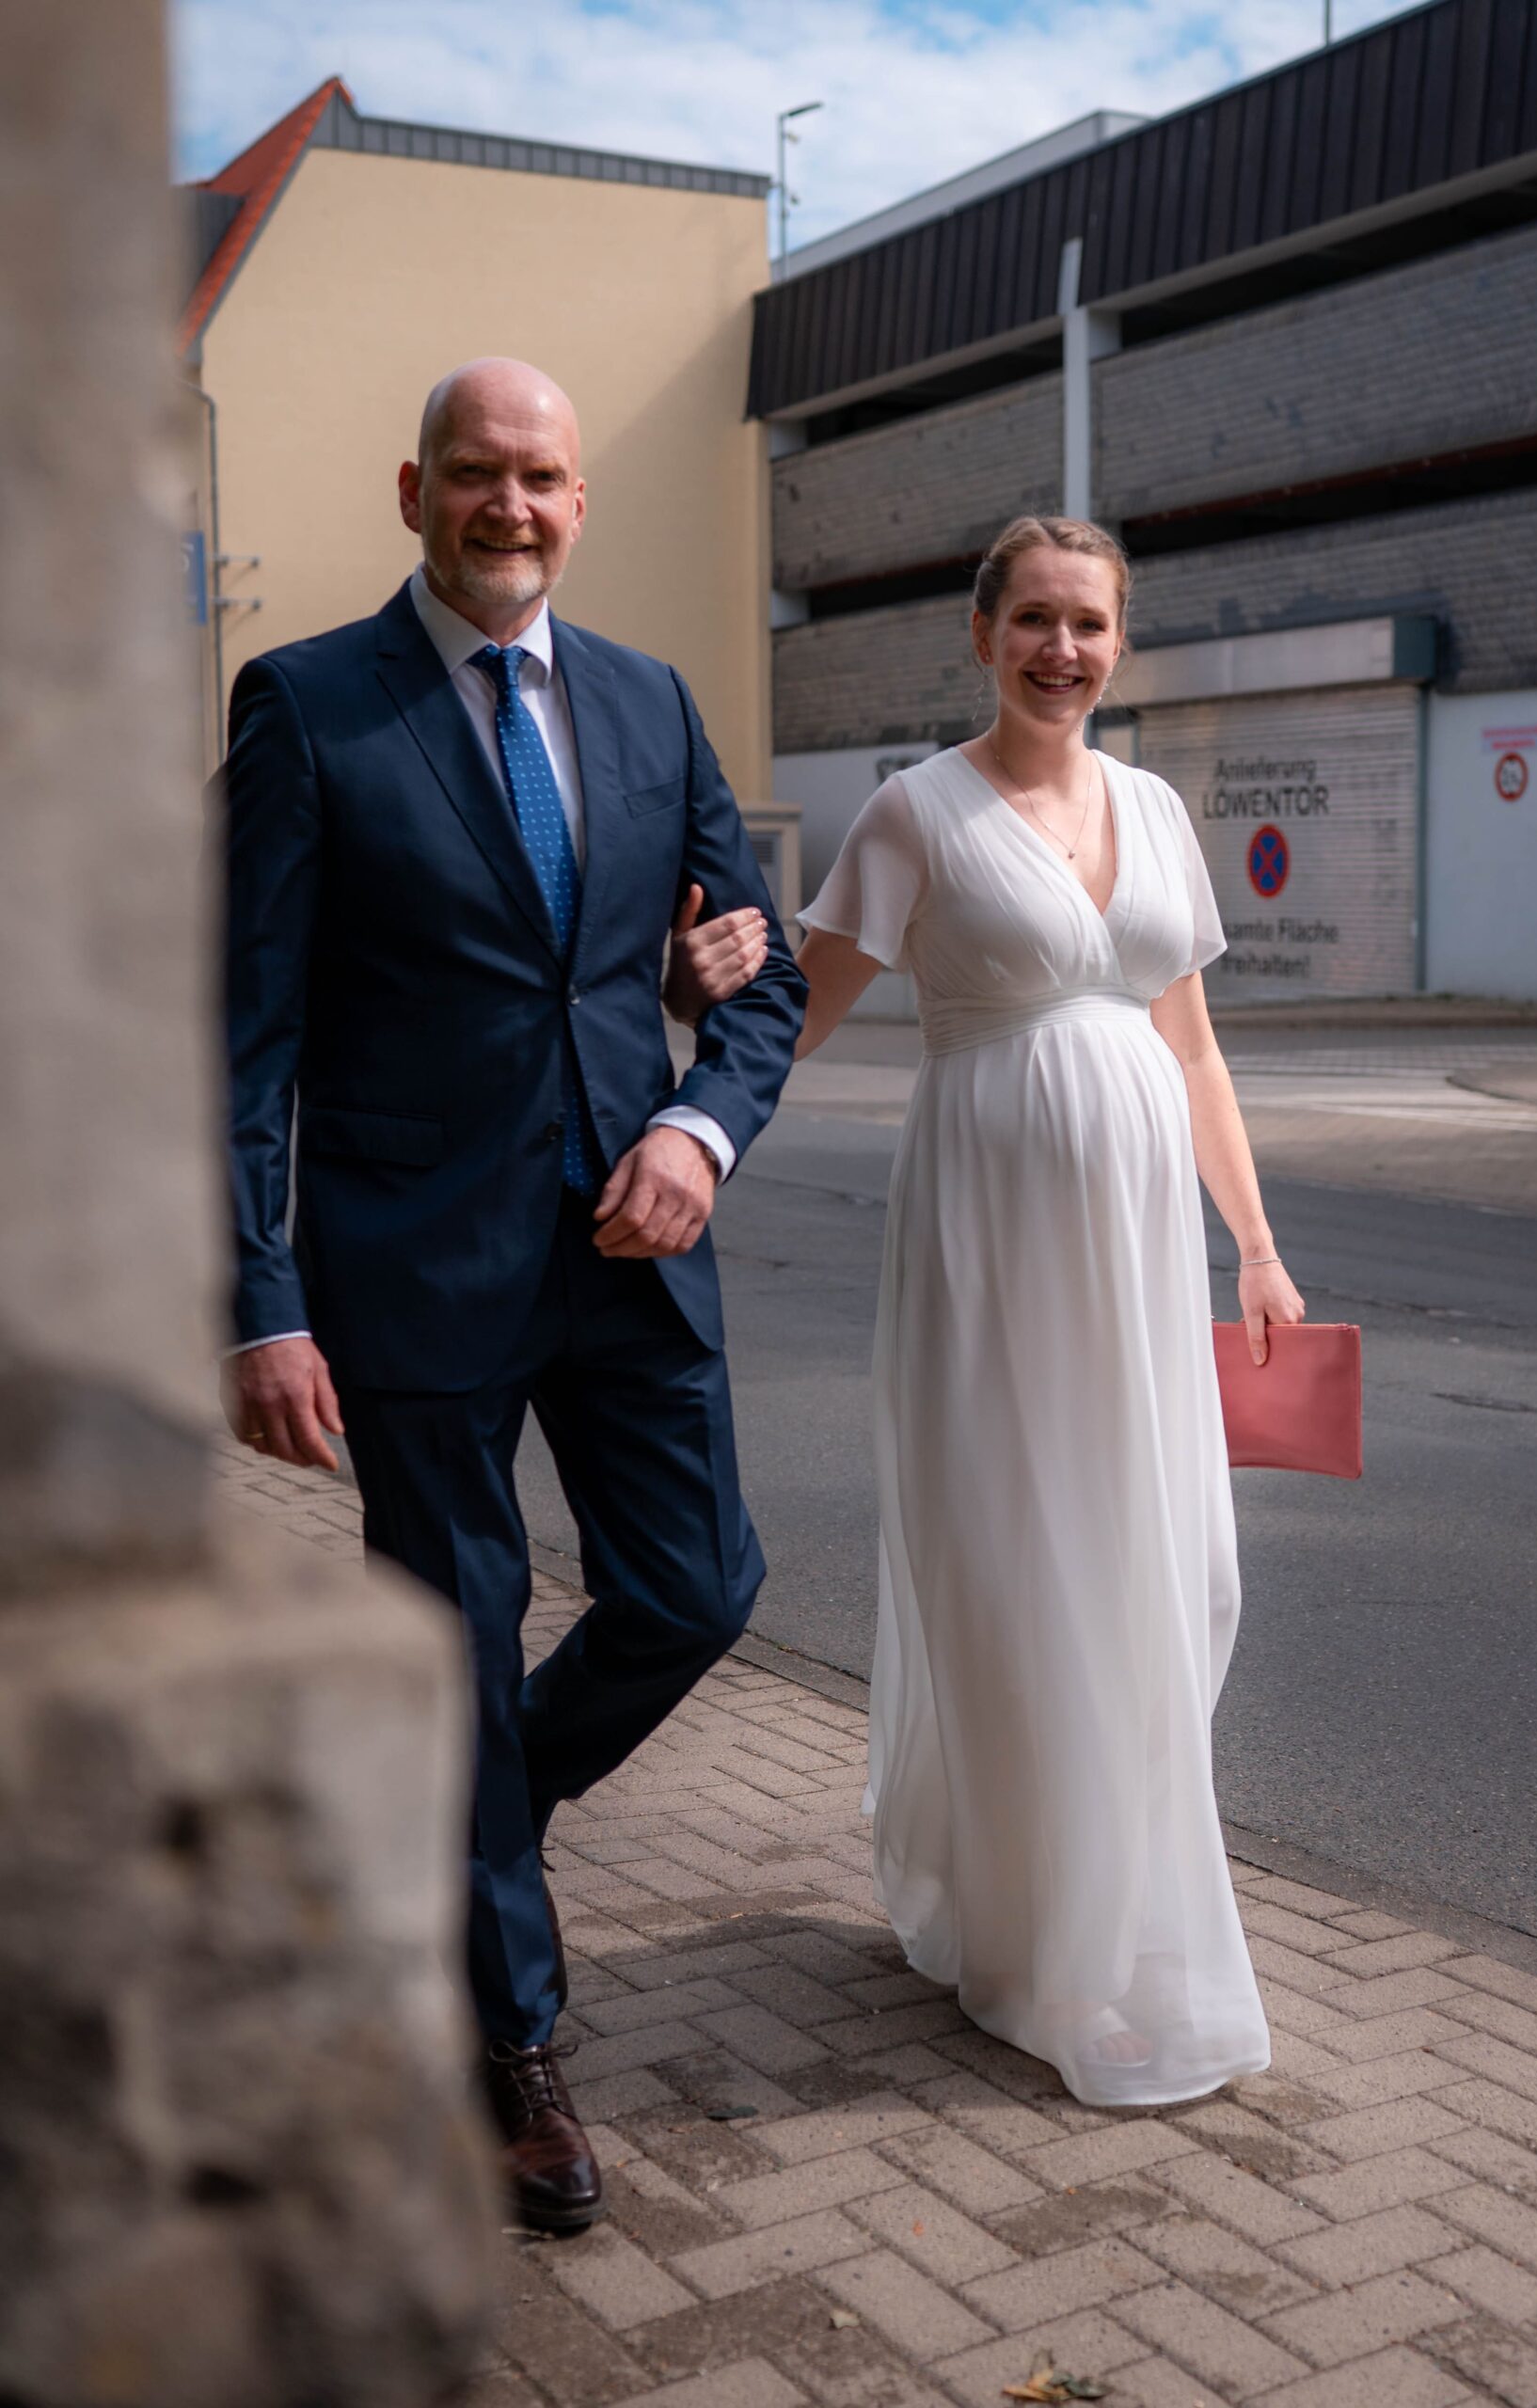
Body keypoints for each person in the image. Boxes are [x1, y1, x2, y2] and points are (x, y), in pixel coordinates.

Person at [218, 358, 804, 2226]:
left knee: (696, 1589)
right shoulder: (309, 703)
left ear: (578, 498)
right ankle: (514, 2039)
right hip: (411, 1271)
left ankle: (472, 1816)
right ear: (416, 491)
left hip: (632, 1249)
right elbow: (245, 1036)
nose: (513, 506)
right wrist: (259, 1299)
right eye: (477, 473)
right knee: (455, 1640)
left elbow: (761, 976)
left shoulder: (651, 702)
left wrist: (700, 1125)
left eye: (542, 476)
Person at [784, 515, 1305, 2105]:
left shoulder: (1156, 810)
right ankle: (1050, 1955)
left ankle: (1099, 1899)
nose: (1060, 650)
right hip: (988, 1252)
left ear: (1118, 642)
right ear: (982, 633)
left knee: (1175, 1572)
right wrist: (668, 1117)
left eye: (1088, 623)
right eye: (1033, 620)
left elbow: (1191, 1046)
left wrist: (1256, 1247)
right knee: (1025, 1578)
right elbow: (790, 1015)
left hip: (1139, 1262)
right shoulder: (914, 813)